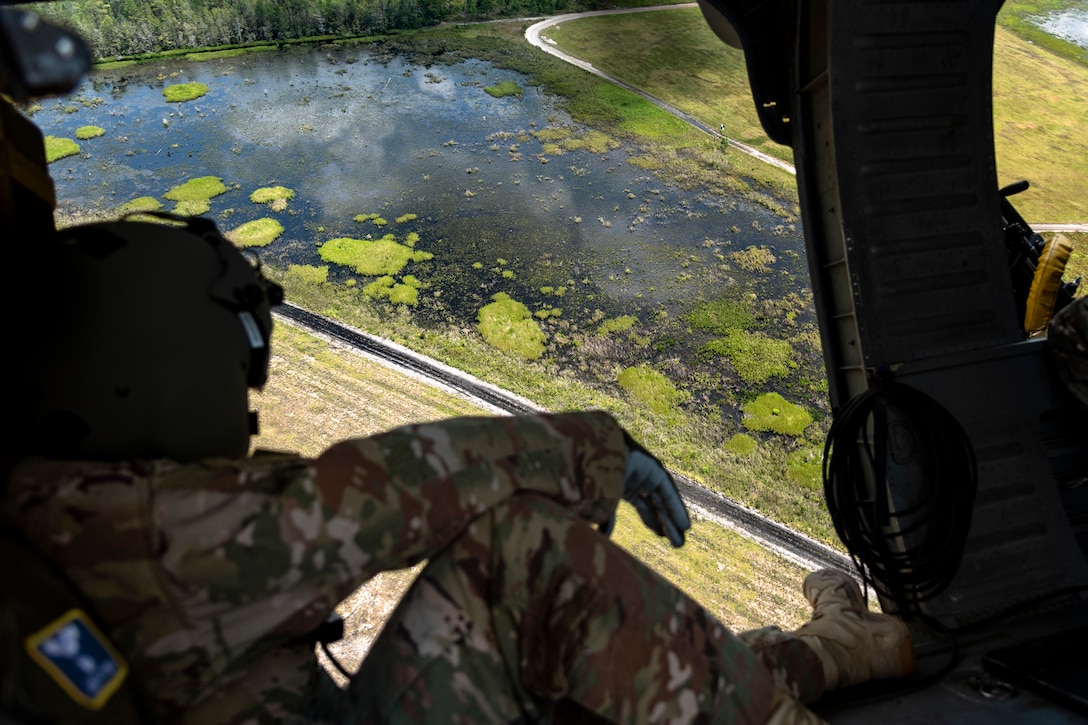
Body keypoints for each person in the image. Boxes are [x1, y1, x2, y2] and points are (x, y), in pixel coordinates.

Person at [2, 216, 914, 724]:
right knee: (528, 559)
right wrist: (602, 452)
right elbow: (370, 497)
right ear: (144, 373)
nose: (249, 386)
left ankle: (840, 645)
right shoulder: (126, 526)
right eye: (243, 358)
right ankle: (836, 655)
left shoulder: (48, 512)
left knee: (608, 663)